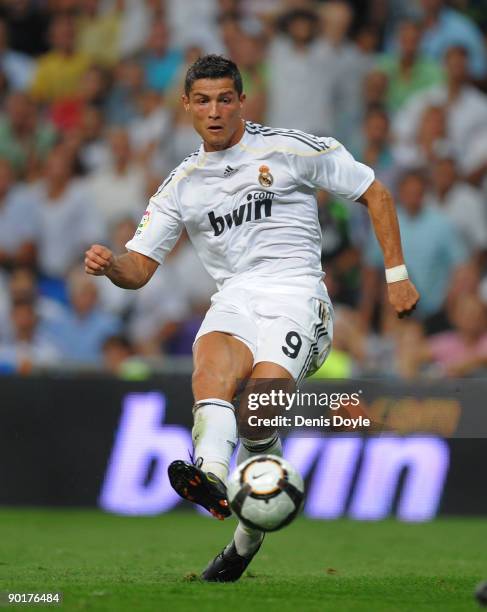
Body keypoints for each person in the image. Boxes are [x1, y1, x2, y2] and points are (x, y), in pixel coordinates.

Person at [84, 55, 419, 581]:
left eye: (224, 99)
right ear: (187, 107)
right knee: (209, 372)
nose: (214, 111)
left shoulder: (288, 149)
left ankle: (248, 535)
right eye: (203, 100)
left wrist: (396, 273)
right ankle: (212, 478)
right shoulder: (182, 183)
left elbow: (374, 191)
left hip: (298, 294)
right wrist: (111, 267)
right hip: (236, 297)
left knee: (256, 415)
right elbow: (141, 267)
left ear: (242, 101)